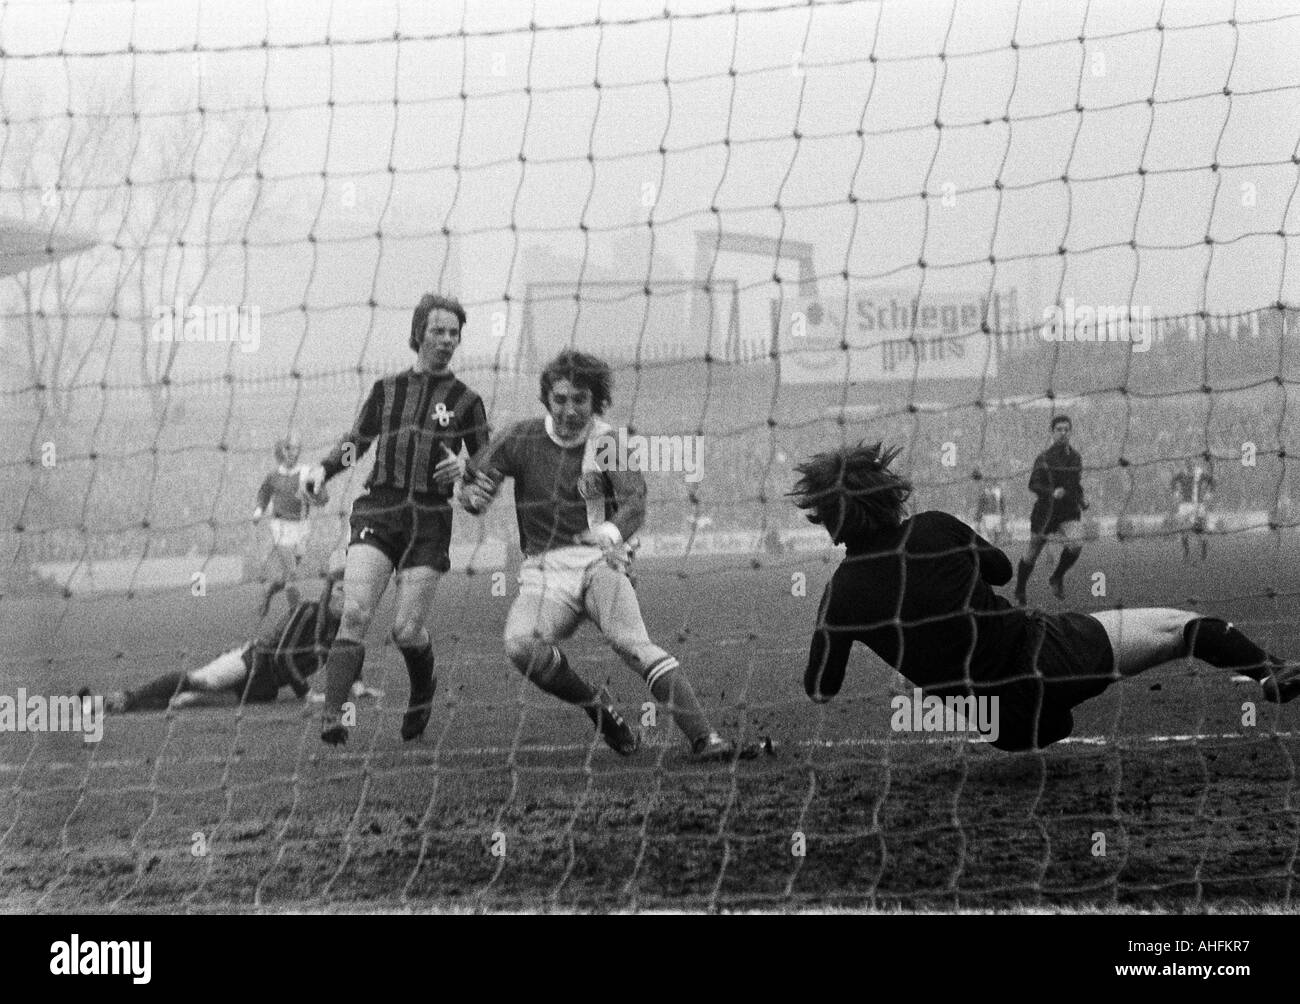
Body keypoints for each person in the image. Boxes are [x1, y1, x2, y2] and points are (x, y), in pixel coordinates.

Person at [790, 441, 1298, 752]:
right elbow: (1001, 569)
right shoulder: (934, 528)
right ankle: (1270, 671)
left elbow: (820, 689)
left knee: (1047, 722)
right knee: (1183, 628)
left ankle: (1039, 720)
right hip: (1048, 656)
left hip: (1002, 721)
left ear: (827, 522)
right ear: (887, 494)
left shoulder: (841, 595)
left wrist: (837, 619)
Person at [459, 349, 772, 762]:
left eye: (580, 400)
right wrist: (470, 494)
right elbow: (475, 481)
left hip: (599, 565)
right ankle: (597, 706)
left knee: (632, 646)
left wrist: (607, 532)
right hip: (543, 574)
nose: (570, 410)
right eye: (561, 399)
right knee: (520, 647)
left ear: (596, 401)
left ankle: (705, 737)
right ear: (547, 400)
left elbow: (635, 501)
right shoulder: (521, 437)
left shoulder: (608, 441)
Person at [301, 293, 490, 746]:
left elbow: (487, 468)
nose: (447, 340)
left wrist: (466, 474)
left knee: (405, 630)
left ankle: (422, 688)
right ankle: (333, 715)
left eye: (454, 333)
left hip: (429, 519)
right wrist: (323, 470)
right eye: (439, 330)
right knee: (356, 610)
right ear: (419, 332)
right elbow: (357, 442)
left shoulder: (467, 401)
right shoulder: (387, 391)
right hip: (379, 510)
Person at [85, 567, 348, 714]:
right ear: (328, 591)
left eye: (349, 591)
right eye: (339, 589)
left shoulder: (341, 628)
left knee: (185, 701)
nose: (344, 596)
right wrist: (308, 694)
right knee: (201, 681)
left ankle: (105, 705)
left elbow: (348, 653)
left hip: (264, 690)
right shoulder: (309, 610)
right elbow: (283, 655)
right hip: (252, 660)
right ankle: (121, 698)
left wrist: (356, 685)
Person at [1015, 415, 1086, 604]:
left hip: (1067, 511)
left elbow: (1074, 483)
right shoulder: (1044, 458)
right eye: (1059, 430)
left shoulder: (1075, 457)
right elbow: (1033, 484)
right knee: (1033, 551)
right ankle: (1020, 588)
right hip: (1045, 511)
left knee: (1077, 543)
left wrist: (1081, 498)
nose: (1063, 433)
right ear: (1052, 433)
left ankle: (1057, 576)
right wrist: (1051, 492)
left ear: (1070, 432)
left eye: (1066, 430)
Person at [252, 435, 315, 617]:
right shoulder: (273, 476)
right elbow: (263, 495)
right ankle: (295, 615)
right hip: (280, 526)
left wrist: (318, 494)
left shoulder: (305, 472)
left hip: (302, 527)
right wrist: (259, 510)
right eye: (287, 449)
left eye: (294, 449)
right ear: (280, 451)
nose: (291, 453)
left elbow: (320, 495)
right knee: (292, 574)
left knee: (286, 577)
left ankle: (268, 593)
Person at [1169, 456, 1215, 564]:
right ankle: (1186, 553)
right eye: (1187, 462)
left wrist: (1209, 493)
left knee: (1200, 530)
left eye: (1191, 462)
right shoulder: (1181, 474)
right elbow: (1172, 482)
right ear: (1185, 463)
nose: (1189, 464)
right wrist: (1175, 492)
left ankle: (1204, 554)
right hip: (1185, 505)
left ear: (1194, 463)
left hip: (1197, 505)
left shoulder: (1199, 473)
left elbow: (1212, 481)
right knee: (1182, 529)